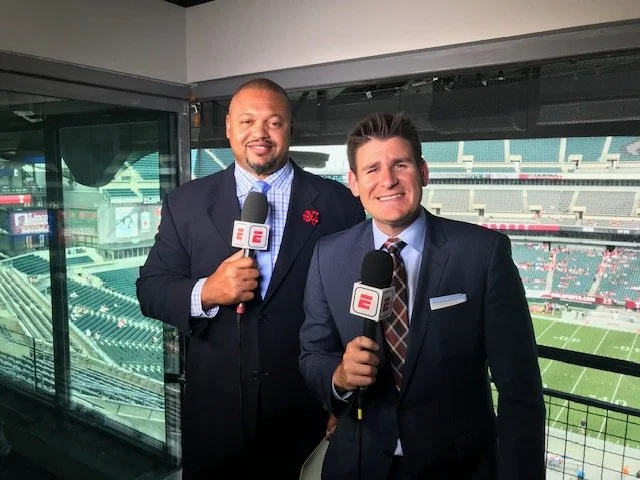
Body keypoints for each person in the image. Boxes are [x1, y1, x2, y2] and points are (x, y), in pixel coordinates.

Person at [136, 78, 364, 479]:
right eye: (247, 121)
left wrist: (343, 401)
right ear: (228, 127)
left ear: (290, 128)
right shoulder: (186, 203)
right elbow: (150, 289)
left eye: (274, 122)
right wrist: (207, 291)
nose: (260, 133)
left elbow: (353, 309)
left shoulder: (338, 204)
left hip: (306, 412)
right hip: (214, 418)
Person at [299, 112, 546, 479]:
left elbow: (520, 390)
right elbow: (312, 355)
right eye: (372, 169)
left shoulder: (483, 253)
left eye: (400, 164)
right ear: (353, 182)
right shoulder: (328, 256)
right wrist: (339, 376)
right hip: (357, 466)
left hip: (458, 469)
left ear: (423, 171)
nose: (387, 180)